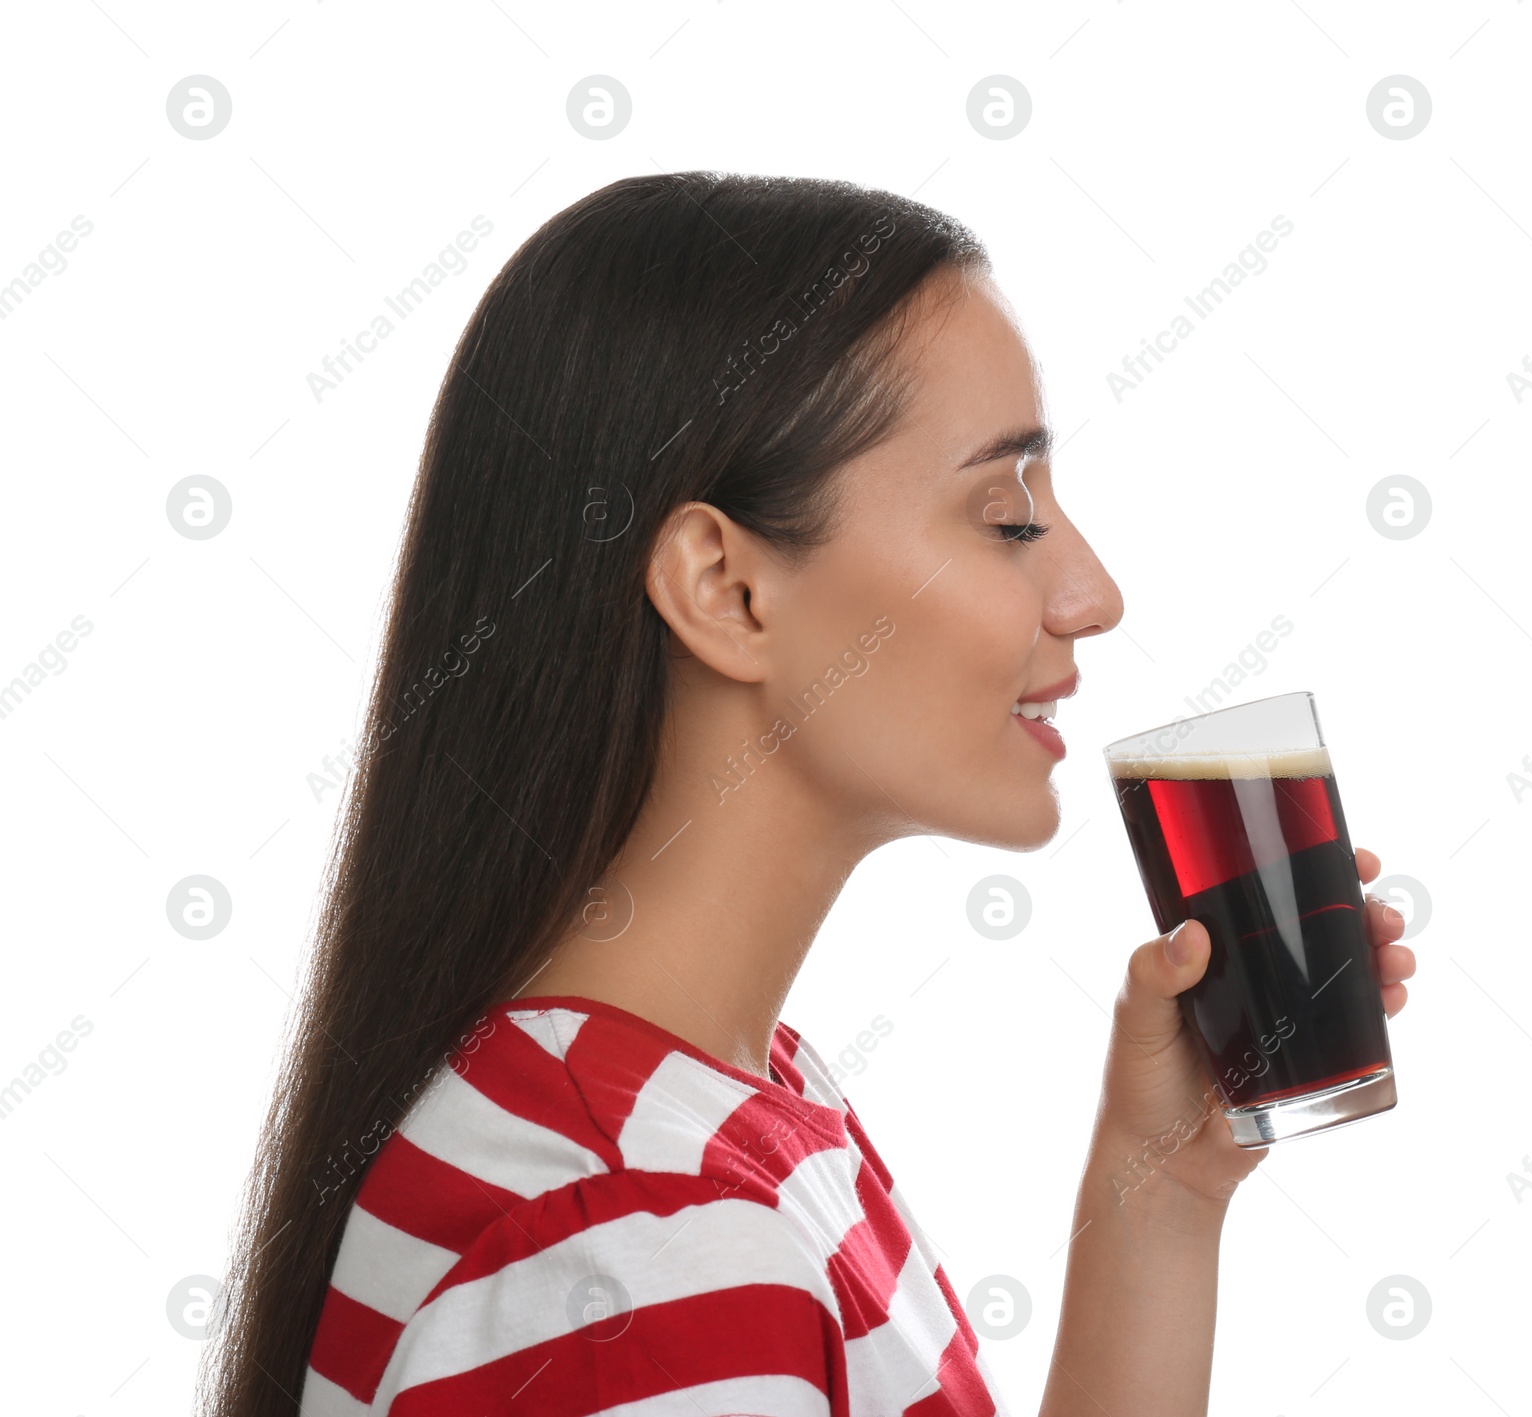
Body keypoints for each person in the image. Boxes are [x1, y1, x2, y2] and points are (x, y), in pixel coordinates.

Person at [199, 172, 1416, 1417]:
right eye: (1005, 515)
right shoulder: (637, 1245)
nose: (1091, 594)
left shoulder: (729, 1107)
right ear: (726, 590)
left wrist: (1161, 1188)